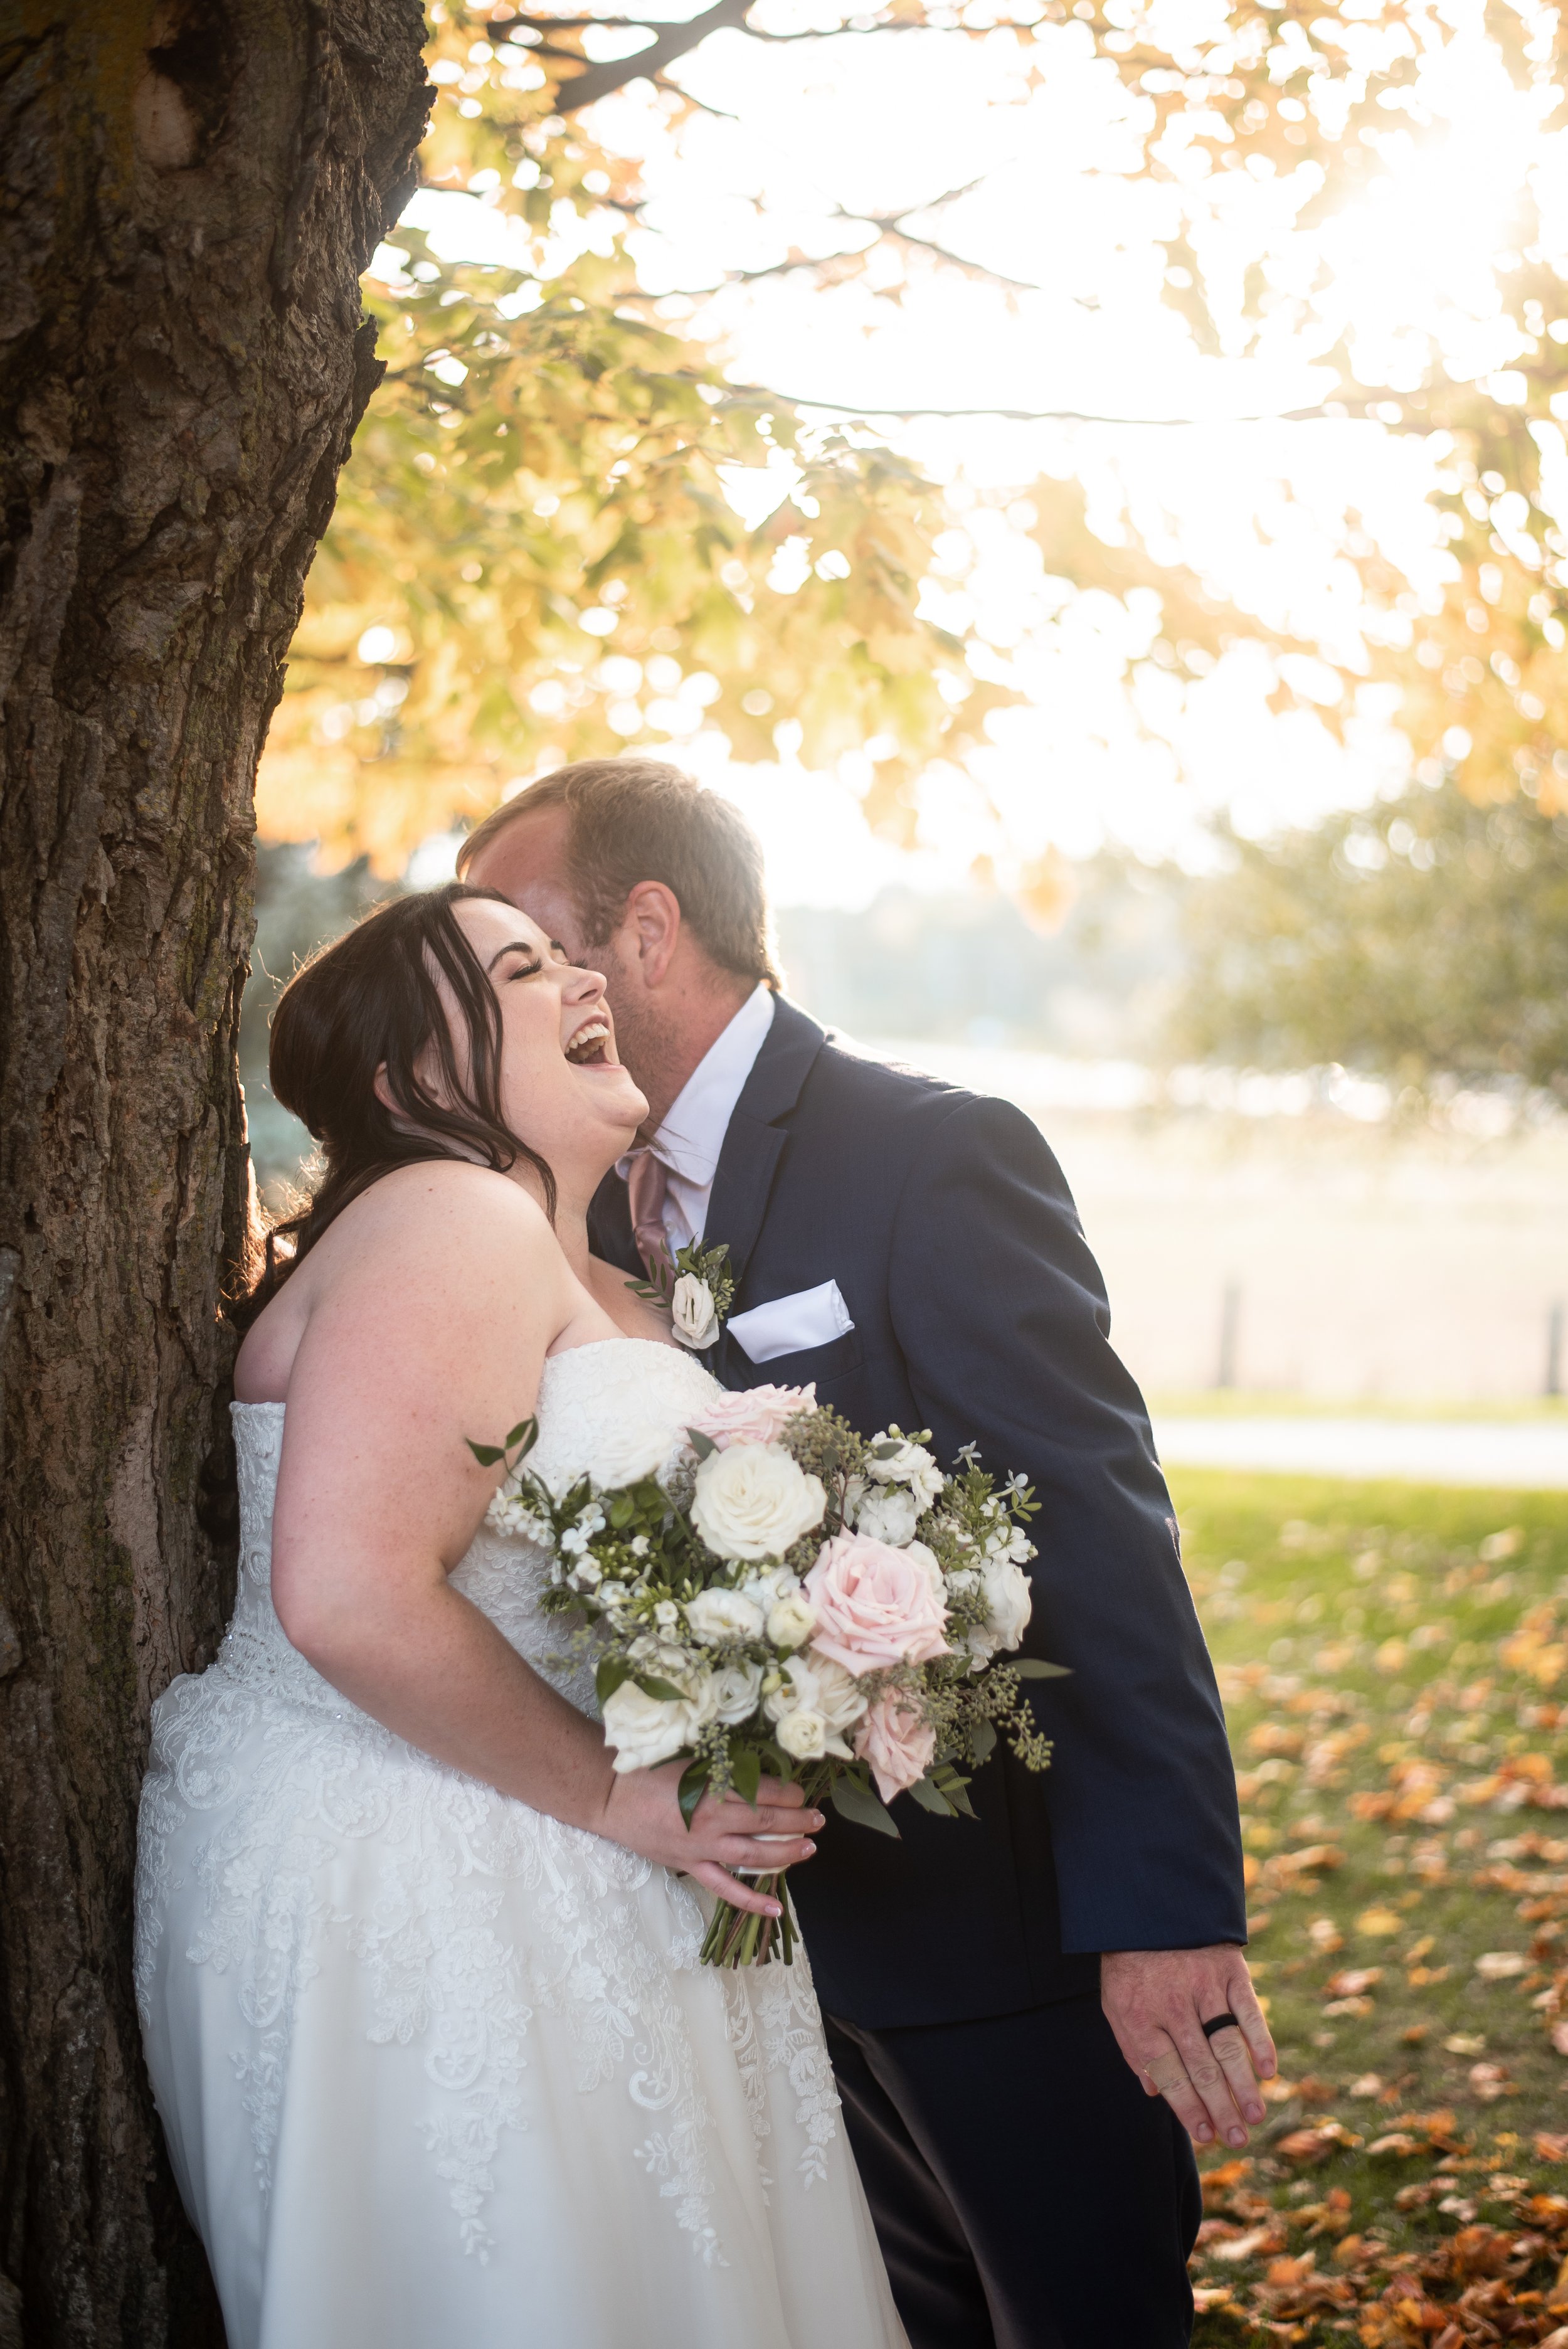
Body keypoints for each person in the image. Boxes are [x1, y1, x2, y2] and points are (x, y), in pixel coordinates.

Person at [461, 758, 1273, 2349]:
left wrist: (1163, 1909)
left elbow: (1095, 1532)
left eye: (533, 940)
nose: (514, 981)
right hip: (747, 1966)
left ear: (646, 931)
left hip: (993, 1946)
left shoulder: (927, 1152)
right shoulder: (568, 1208)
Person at [134, 884, 907, 2349]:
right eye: (520, 969)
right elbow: (348, 1590)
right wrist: (619, 1793)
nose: (584, 979)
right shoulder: (454, 1213)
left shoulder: (595, 1264)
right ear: (408, 1082)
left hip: (556, 1853)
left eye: (567, 954)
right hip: (419, 1870)